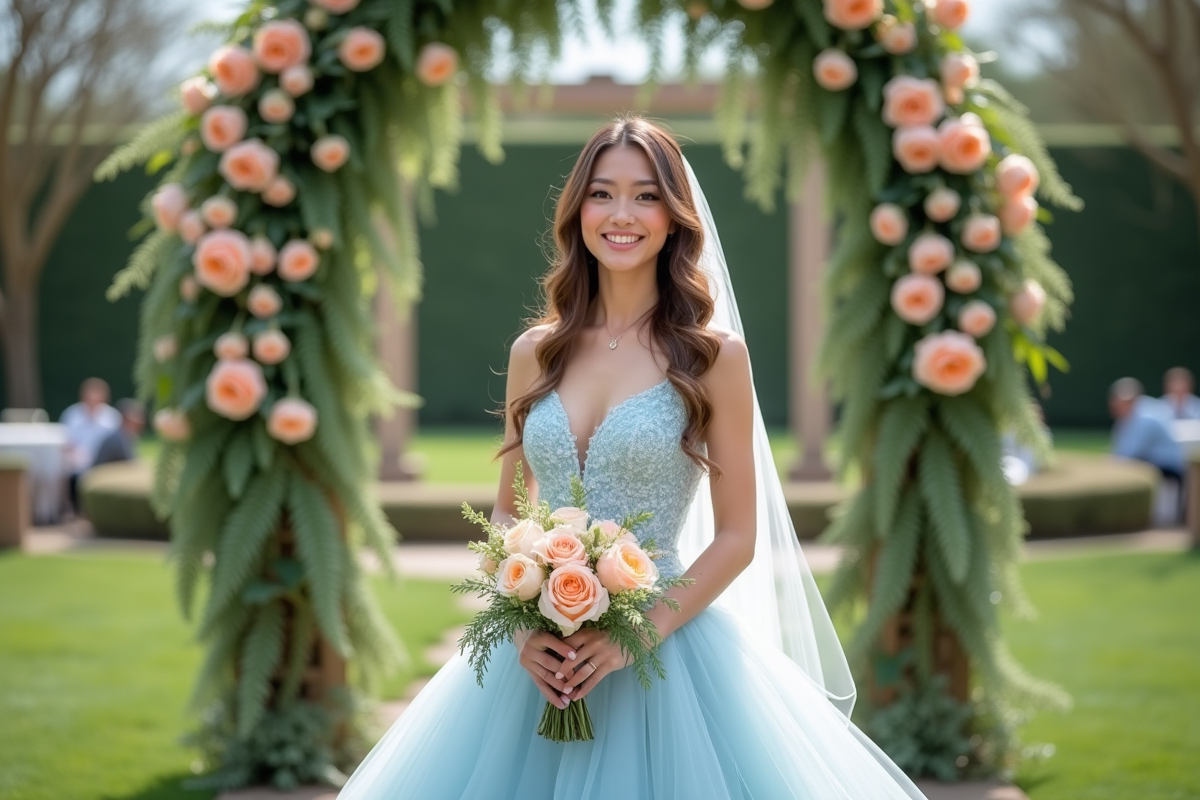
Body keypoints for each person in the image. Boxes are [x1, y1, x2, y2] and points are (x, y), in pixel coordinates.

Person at [338, 117, 925, 799]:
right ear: (577, 210)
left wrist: (634, 635)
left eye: (646, 196)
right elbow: (508, 505)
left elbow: (737, 535)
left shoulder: (713, 359)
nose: (622, 215)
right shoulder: (536, 351)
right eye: (602, 194)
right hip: (534, 662)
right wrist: (522, 620)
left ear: (676, 218)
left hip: (665, 654)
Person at [1110, 377, 1186, 522]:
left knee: (1130, 469)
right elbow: (1120, 449)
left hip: (1169, 464)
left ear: (1131, 401)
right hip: (1152, 460)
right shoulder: (1127, 417)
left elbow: (1131, 453)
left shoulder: (1146, 418)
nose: (1115, 405)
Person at [59, 377, 121, 512]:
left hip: (103, 461)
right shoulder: (72, 414)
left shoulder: (112, 417)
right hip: (76, 461)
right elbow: (66, 441)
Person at [91, 399, 145, 468]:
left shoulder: (124, 436)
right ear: (126, 417)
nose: (141, 420)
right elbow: (131, 464)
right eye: (137, 416)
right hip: (101, 475)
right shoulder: (118, 438)